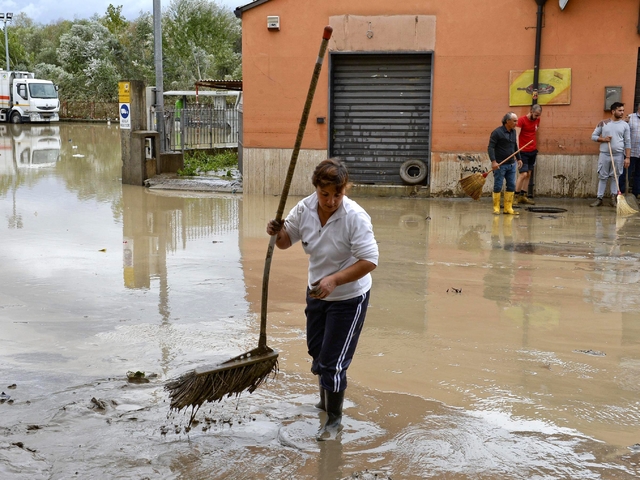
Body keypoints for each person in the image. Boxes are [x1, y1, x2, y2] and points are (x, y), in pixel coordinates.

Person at [266, 158, 379, 441]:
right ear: (316, 188)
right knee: (317, 352)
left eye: (337, 195)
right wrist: (277, 230)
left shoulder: (355, 217)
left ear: (345, 189)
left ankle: (334, 419)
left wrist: (335, 279)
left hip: (348, 297)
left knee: (333, 362)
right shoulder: (304, 209)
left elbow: (370, 260)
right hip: (317, 291)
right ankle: (323, 401)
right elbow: (284, 242)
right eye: (324, 194)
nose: (330, 201)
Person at [590, 102, 631, 207]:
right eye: (620, 110)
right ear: (613, 111)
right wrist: (603, 139)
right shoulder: (603, 123)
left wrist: (627, 157)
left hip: (618, 155)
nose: (622, 113)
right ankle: (599, 198)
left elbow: (628, 142)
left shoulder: (625, 125)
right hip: (605, 154)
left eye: (623, 110)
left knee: (615, 177)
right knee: (602, 177)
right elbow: (593, 136)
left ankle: (613, 198)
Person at [488, 112, 523, 215]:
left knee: (511, 185)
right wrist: (494, 162)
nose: (516, 123)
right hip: (500, 165)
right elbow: (490, 147)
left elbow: (515, 146)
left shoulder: (513, 132)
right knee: (498, 185)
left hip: (512, 164)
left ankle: (508, 208)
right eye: (514, 121)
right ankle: (496, 207)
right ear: (507, 121)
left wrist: (519, 158)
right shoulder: (497, 132)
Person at [515, 104, 542, 205]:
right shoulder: (521, 120)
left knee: (529, 174)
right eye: (535, 115)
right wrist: (517, 151)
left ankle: (523, 196)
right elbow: (516, 136)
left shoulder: (537, 120)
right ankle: (515, 196)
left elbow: (535, 130)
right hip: (523, 151)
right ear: (531, 111)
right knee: (523, 174)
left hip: (532, 150)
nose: (537, 117)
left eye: (538, 115)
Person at [619, 104, 640, 198]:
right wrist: (625, 122)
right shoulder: (630, 117)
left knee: (639, 174)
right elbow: (622, 131)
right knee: (624, 174)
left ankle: (637, 193)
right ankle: (621, 193)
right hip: (630, 152)